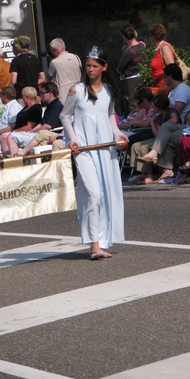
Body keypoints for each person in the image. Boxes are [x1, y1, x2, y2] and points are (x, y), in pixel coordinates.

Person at [59, 46, 128, 260]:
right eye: (88, 65)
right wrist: (73, 139)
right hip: (84, 150)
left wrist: (119, 135)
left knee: (106, 193)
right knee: (93, 194)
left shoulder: (108, 91)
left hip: (105, 149)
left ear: (104, 67)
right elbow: (64, 116)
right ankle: (94, 245)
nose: (90, 69)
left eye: (94, 66)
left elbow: (109, 116)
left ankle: (101, 241)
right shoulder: (76, 90)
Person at [139, 69, 190, 181]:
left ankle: (169, 169)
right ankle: (157, 155)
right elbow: (189, 118)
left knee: (170, 138)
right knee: (166, 127)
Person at [0, 81, 63, 157]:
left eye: (42, 93)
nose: (41, 95)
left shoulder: (57, 107)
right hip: (40, 134)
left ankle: (16, 162)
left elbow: (48, 126)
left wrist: (32, 131)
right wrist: (31, 131)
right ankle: (12, 162)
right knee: (7, 136)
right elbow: (41, 123)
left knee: (11, 137)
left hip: (47, 135)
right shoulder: (50, 106)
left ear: (50, 94)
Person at [116, 26, 146, 116]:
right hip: (141, 79)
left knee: (130, 106)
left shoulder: (129, 51)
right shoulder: (142, 45)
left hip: (129, 82)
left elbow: (119, 69)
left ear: (123, 36)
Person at [46, 38, 82, 104]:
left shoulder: (54, 62)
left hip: (63, 96)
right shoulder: (76, 57)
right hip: (78, 93)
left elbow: (48, 77)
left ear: (55, 50)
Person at [10, 35, 44, 102]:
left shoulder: (16, 61)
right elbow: (43, 79)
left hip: (22, 96)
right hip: (35, 95)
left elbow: (13, 81)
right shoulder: (36, 60)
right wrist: (32, 83)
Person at [148, 23, 176, 94]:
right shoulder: (159, 48)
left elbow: (172, 69)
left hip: (165, 87)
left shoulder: (164, 47)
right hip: (160, 86)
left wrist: (164, 88)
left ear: (153, 37)